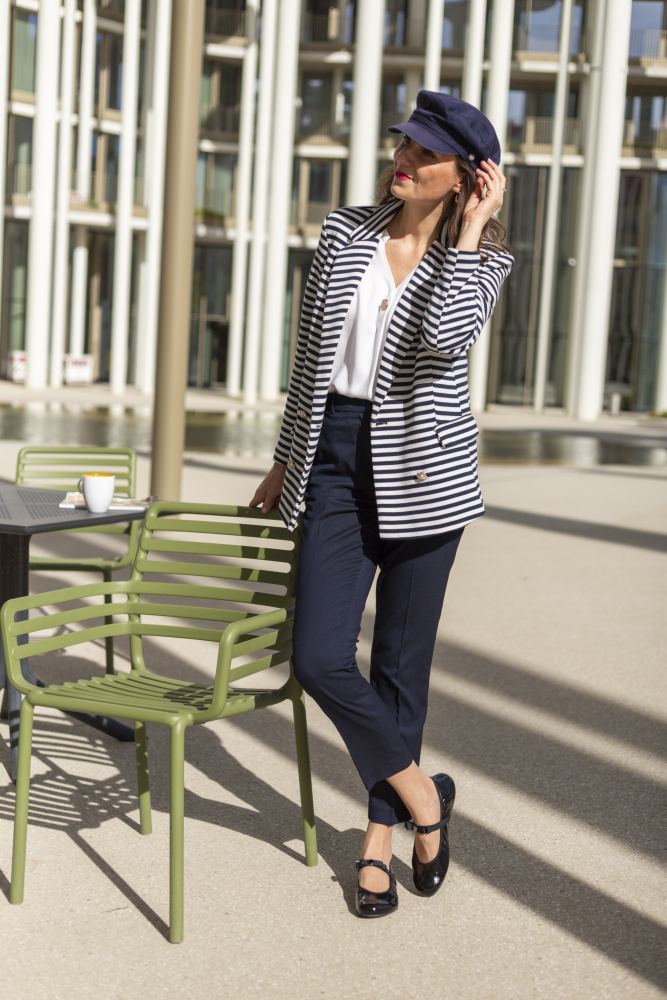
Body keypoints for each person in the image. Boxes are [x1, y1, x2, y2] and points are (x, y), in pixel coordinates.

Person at [250, 91, 514, 918]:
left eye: (424, 155)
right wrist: (286, 458)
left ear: (468, 179)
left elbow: (442, 341)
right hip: (333, 460)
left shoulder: (479, 262)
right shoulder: (342, 232)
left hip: (425, 479)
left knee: (402, 669)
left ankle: (375, 841)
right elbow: (308, 359)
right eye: (402, 144)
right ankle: (422, 799)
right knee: (321, 656)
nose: (403, 160)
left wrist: (468, 236)